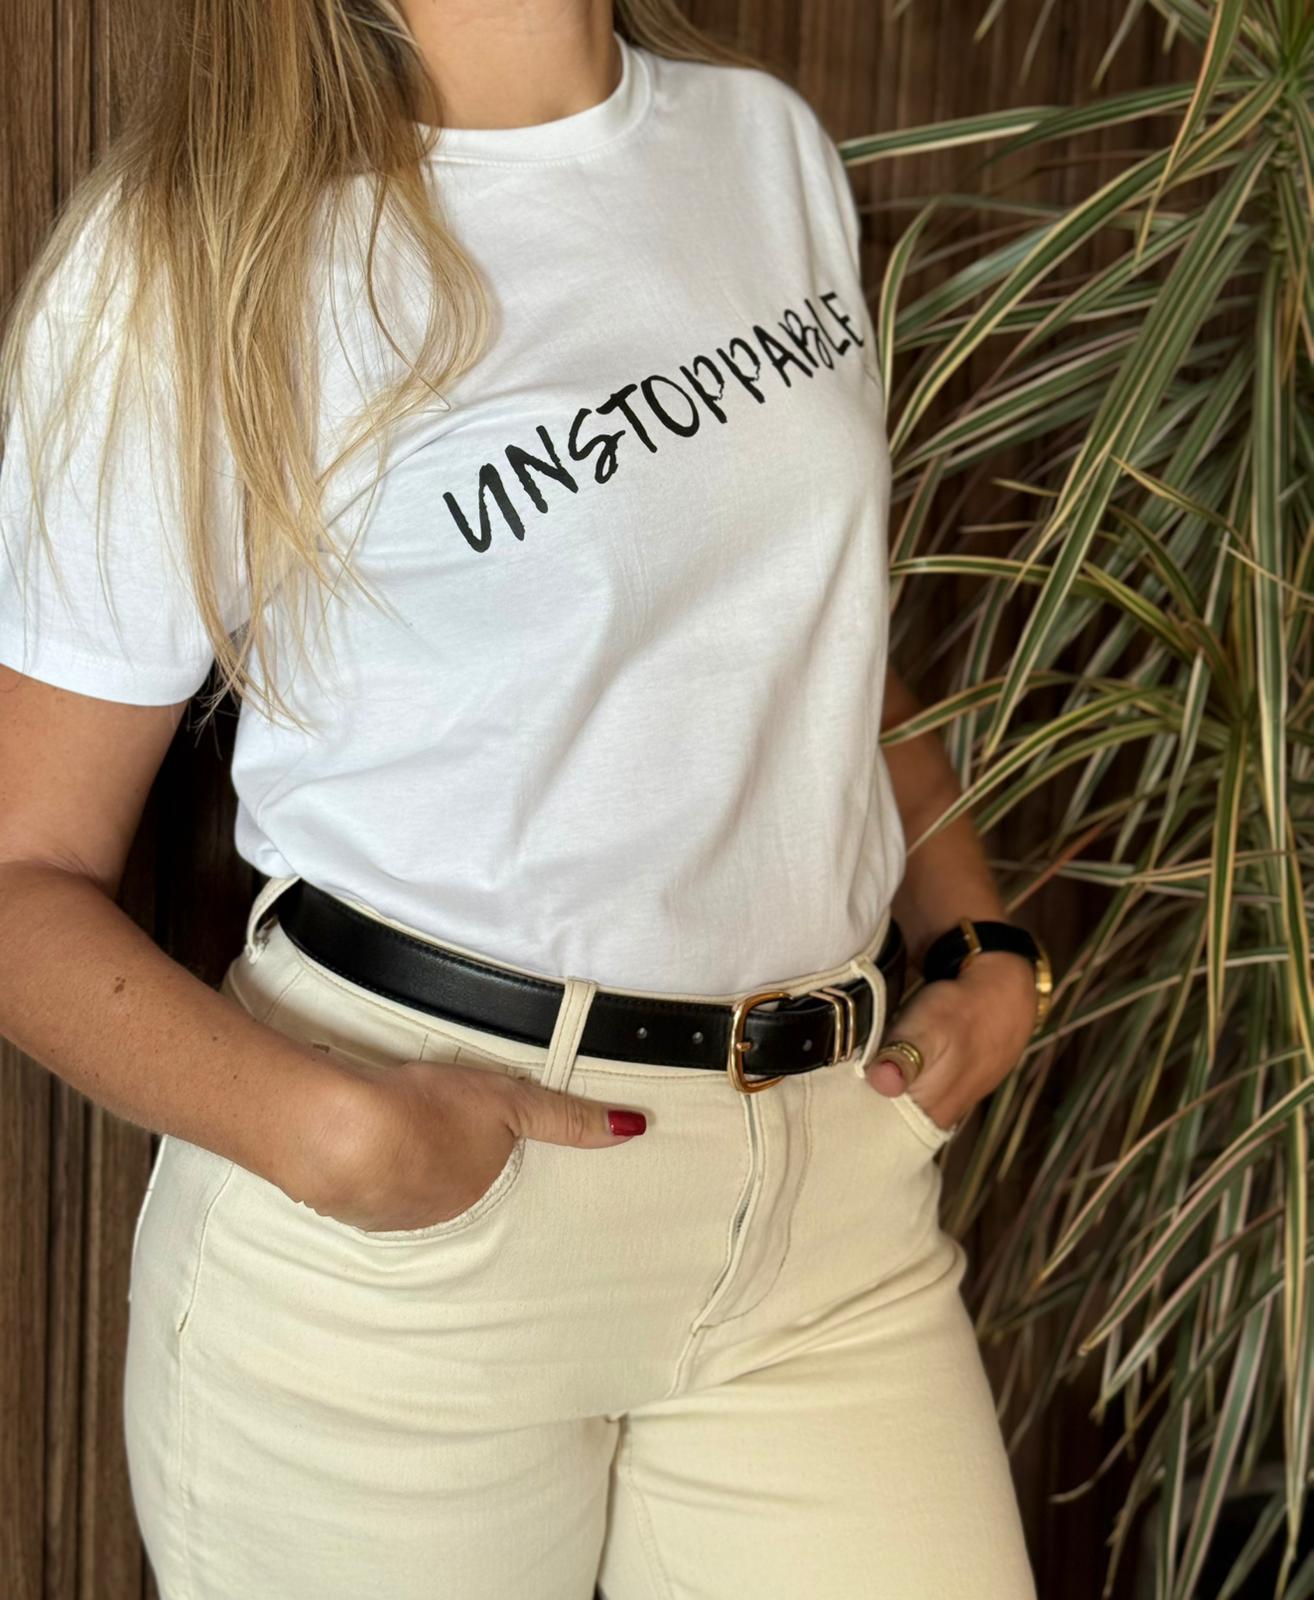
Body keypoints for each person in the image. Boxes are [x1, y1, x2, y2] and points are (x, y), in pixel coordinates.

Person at [0, 3, 1047, 1595]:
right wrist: (333, 1133)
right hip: (417, 1242)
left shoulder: (758, 142)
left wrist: (972, 927)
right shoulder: (191, 255)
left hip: (825, 1205)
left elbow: (807, 627)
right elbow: (24, 871)